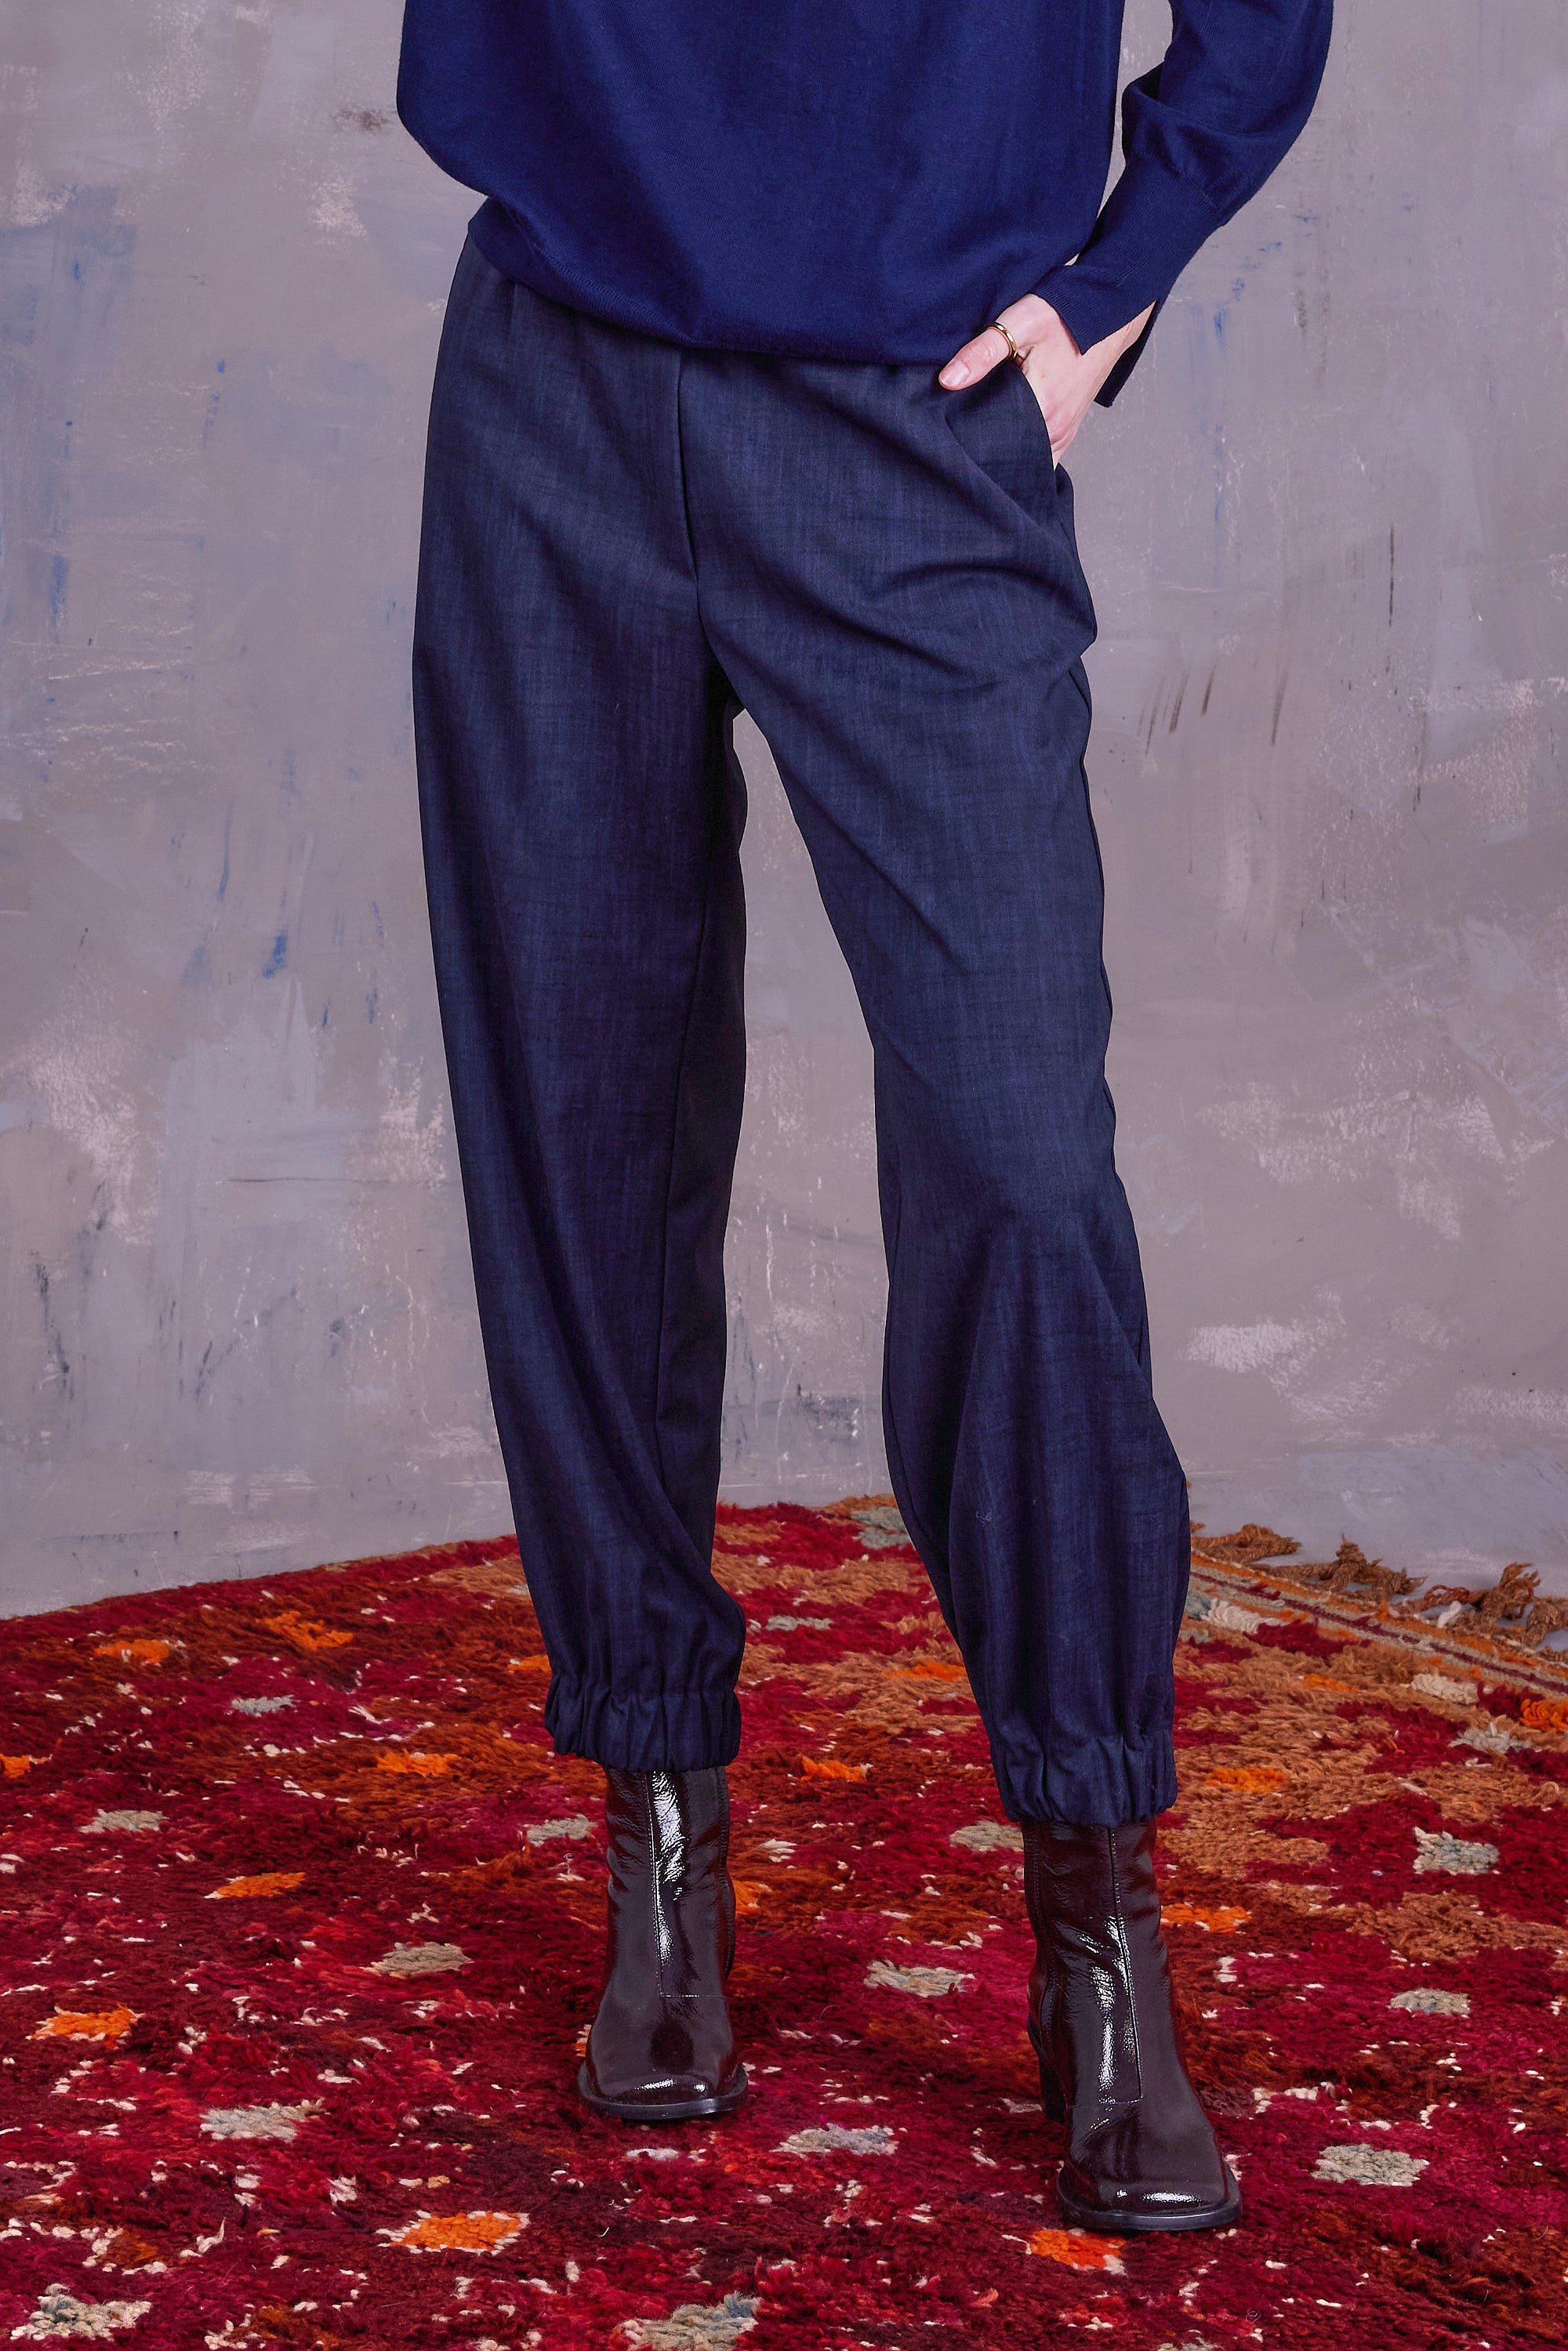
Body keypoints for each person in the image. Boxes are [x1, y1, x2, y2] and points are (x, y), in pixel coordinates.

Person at [395, 0, 1331, 2235]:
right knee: (581, 1129)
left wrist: (1122, 268)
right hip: (552, 384)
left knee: (1021, 1159)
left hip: (916, 416)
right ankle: (657, 1820)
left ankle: (1095, 1900)